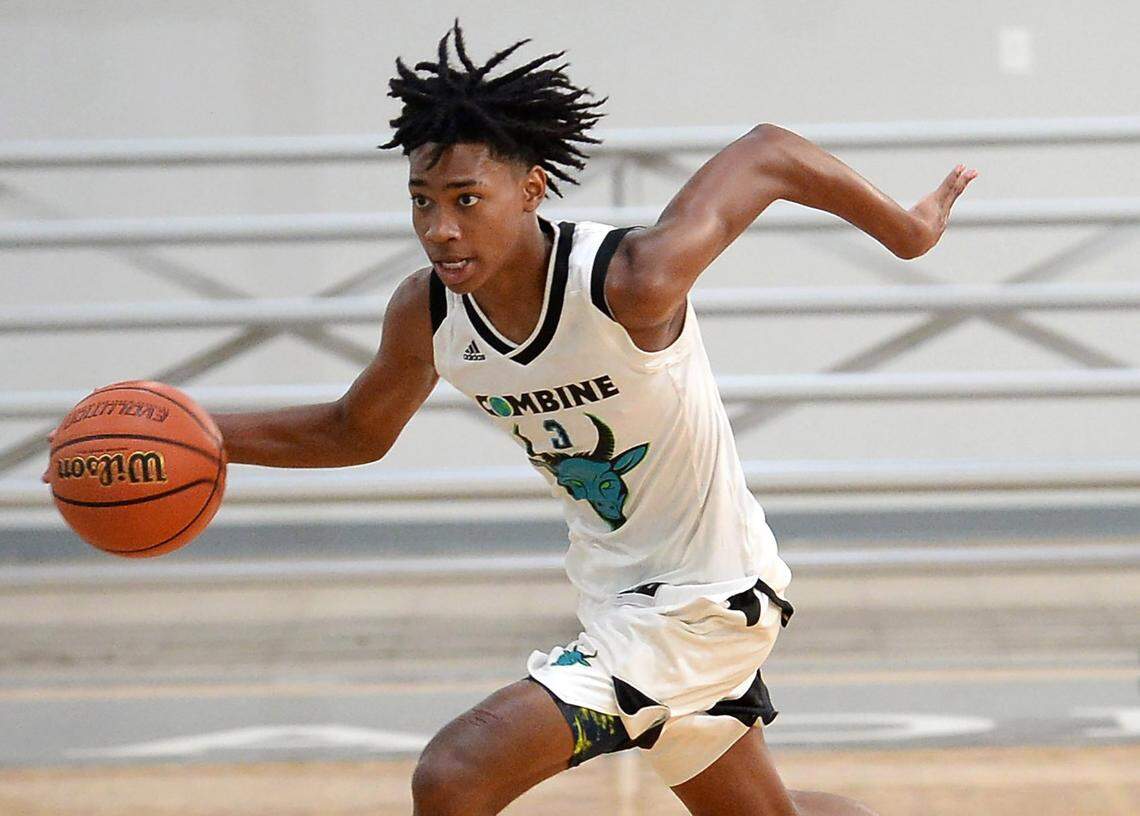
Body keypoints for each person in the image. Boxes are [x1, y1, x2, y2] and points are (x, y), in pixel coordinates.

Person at [213, 23, 976, 816]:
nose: (441, 227)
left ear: (532, 190)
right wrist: (200, 435)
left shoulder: (629, 283)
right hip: (619, 597)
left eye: (467, 200)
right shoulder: (429, 311)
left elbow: (768, 152)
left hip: (705, 601)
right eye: (423, 201)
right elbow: (354, 431)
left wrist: (908, 232)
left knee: (454, 774)